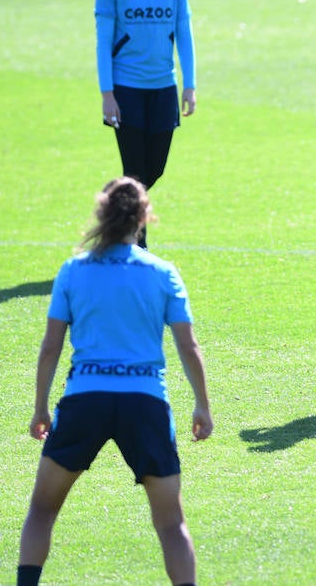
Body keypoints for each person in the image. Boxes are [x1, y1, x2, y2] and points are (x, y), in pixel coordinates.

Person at [17, 177, 213, 585]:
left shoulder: (73, 271)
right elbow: (188, 345)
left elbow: (51, 347)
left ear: (101, 215)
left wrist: (40, 407)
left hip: (84, 401)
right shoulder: (162, 272)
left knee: (42, 510)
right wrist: (202, 404)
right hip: (145, 403)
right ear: (143, 219)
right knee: (171, 524)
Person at [95, 0, 196, 249]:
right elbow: (102, 42)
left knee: (156, 168)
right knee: (135, 170)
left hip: (164, 87)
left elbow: (184, 33)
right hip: (126, 89)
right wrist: (107, 94)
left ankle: (113, 206)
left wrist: (189, 85)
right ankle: (137, 244)